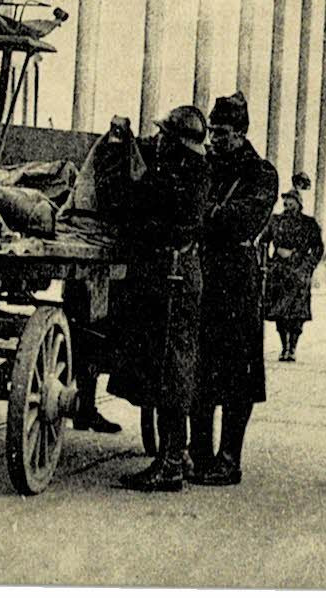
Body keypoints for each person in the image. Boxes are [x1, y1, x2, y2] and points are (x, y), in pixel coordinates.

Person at [107, 105, 211, 492]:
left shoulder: (191, 176)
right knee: (168, 364)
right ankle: (175, 455)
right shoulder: (182, 167)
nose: (161, 141)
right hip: (173, 274)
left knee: (172, 368)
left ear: (180, 144)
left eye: (166, 136)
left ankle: (170, 462)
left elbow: (160, 217)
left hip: (175, 277)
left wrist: (136, 222)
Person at [189, 92, 281, 487]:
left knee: (237, 375)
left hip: (238, 282)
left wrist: (205, 213)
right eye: (211, 131)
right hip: (204, 273)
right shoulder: (206, 164)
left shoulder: (261, 173)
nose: (213, 139)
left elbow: (242, 220)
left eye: (222, 133)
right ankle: (200, 454)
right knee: (200, 368)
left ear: (241, 133)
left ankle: (229, 458)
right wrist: (211, 214)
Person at [262, 175, 323, 362]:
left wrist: (308, 267)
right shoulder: (275, 221)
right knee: (280, 311)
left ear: (299, 203)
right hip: (279, 270)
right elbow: (263, 242)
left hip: (299, 271)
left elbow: (318, 248)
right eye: (286, 200)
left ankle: (293, 347)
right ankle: (284, 347)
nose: (288, 203)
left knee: (296, 313)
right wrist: (266, 264)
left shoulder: (309, 224)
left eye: (292, 200)